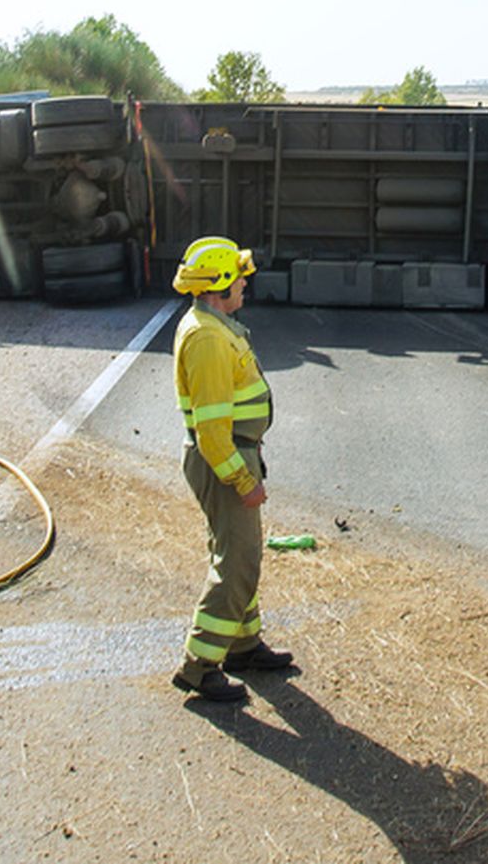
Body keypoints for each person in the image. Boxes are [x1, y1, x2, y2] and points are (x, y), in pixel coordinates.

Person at [169, 235, 294, 700]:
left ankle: (243, 646)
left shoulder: (215, 325)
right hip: (225, 460)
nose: (246, 283)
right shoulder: (206, 337)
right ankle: (200, 666)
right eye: (239, 277)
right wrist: (243, 481)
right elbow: (211, 431)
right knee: (236, 560)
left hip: (237, 454)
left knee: (241, 554)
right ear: (220, 285)